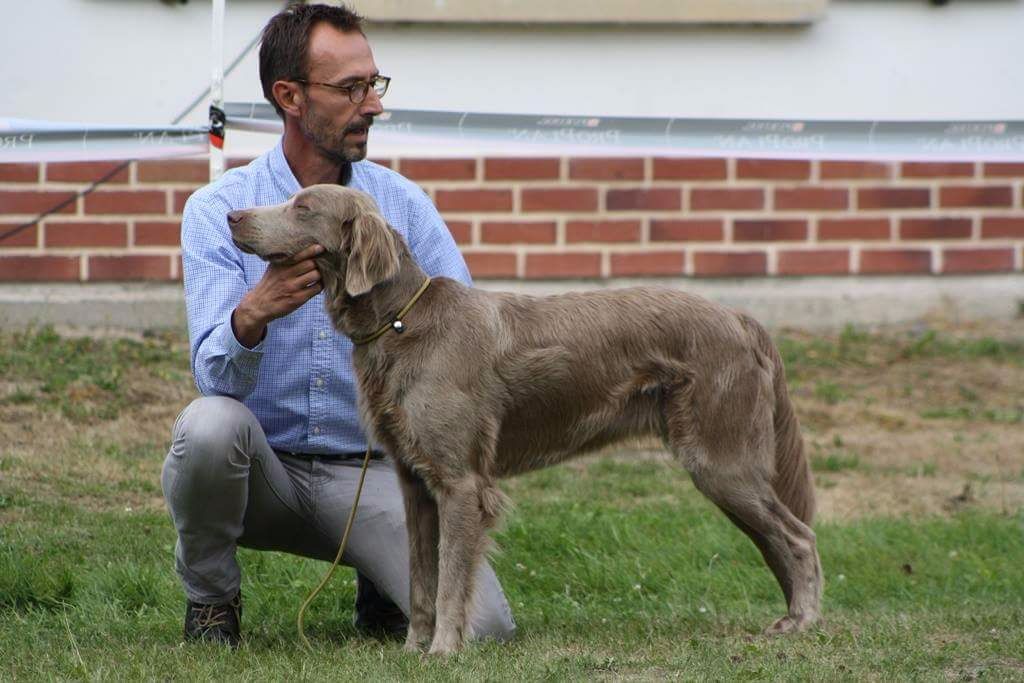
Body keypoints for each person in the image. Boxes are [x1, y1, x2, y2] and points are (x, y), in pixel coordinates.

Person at [161, 3, 515, 647]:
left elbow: (471, 349)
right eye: (351, 88)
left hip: (376, 476)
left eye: (373, 84)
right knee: (208, 428)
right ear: (290, 97)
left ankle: (383, 587)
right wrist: (254, 313)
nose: (372, 105)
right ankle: (211, 602)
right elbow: (215, 379)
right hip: (262, 472)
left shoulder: (402, 207)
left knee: (484, 629)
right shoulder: (221, 212)